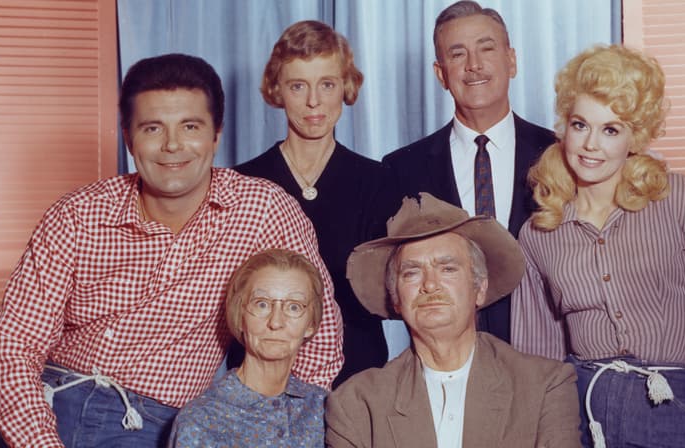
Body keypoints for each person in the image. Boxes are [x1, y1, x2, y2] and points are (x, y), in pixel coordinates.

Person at [0, 53, 342, 448]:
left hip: (151, 424)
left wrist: (282, 427)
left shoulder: (262, 210)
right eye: (153, 128)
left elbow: (319, 335)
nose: (172, 145)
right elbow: (13, 347)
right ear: (128, 138)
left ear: (216, 135)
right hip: (49, 406)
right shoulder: (77, 214)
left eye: (190, 126)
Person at [511, 44, 685, 448]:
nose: (591, 144)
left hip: (670, 408)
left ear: (634, 137)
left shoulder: (677, 199)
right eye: (581, 125)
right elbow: (537, 354)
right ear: (565, 127)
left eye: (611, 130)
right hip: (580, 414)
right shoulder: (539, 232)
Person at [325, 193, 581, 448]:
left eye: (448, 269)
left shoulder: (545, 384)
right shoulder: (356, 404)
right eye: (411, 273)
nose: (430, 285)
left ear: (479, 288)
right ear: (396, 300)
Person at [382, 1, 555, 343]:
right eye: (457, 54)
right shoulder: (401, 169)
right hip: (445, 358)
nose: (474, 65)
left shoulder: (557, 154)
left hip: (543, 357)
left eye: (486, 49)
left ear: (512, 61)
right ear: (441, 74)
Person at [235, 20, 389, 386]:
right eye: (298, 86)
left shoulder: (379, 181)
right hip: (261, 378)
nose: (313, 101)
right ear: (277, 90)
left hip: (356, 377)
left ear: (346, 87)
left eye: (327, 84)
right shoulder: (242, 182)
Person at [169, 249, 327, 447]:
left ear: (311, 322)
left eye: (294, 306)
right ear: (240, 316)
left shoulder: (324, 408)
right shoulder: (202, 420)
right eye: (262, 304)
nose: (276, 322)